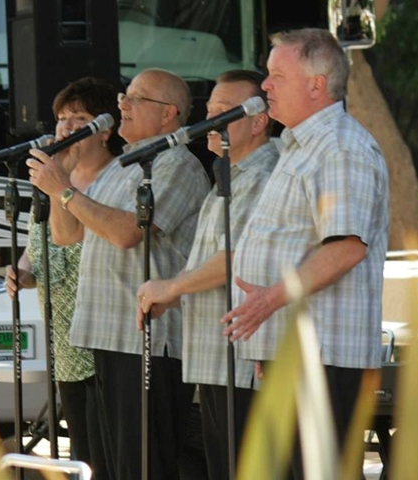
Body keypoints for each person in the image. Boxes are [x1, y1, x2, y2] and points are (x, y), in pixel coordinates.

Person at [26, 67, 211, 480]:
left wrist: (65, 190)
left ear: (169, 114)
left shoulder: (176, 164)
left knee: (143, 462)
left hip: (147, 339)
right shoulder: (122, 166)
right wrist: (62, 176)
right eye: (124, 95)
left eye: (136, 99)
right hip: (106, 337)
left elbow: (129, 233)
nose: (122, 104)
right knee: (109, 465)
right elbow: (66, 233)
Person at [220, 28, 390, 476]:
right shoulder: (302, 145)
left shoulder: (339, 148)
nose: (265, 86)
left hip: (323, 360)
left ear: (316, 84)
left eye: (277, 75)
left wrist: (266, 302)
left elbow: (346, 248)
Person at [136, 69, 279, 480]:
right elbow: (211, 258)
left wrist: (171, 285)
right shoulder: (229, 175)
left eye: (223, 114)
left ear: (258, 121)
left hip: (244, 361)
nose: (208, 123)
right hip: (217, 359)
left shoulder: (263, 175)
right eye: (209, 111)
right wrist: (174, 295)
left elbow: (237, 257)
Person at [4, 76, 121, 479]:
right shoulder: (51, 181)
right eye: (62, 118)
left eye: (80, 117)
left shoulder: (114, 178)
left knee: (106, 454)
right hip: (64, 342)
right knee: (81, 452)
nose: (67, 127)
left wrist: (61, 187)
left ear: (105, 128)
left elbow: (71, 238)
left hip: (101, 339)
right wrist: (22, 273)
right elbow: (40, 246)